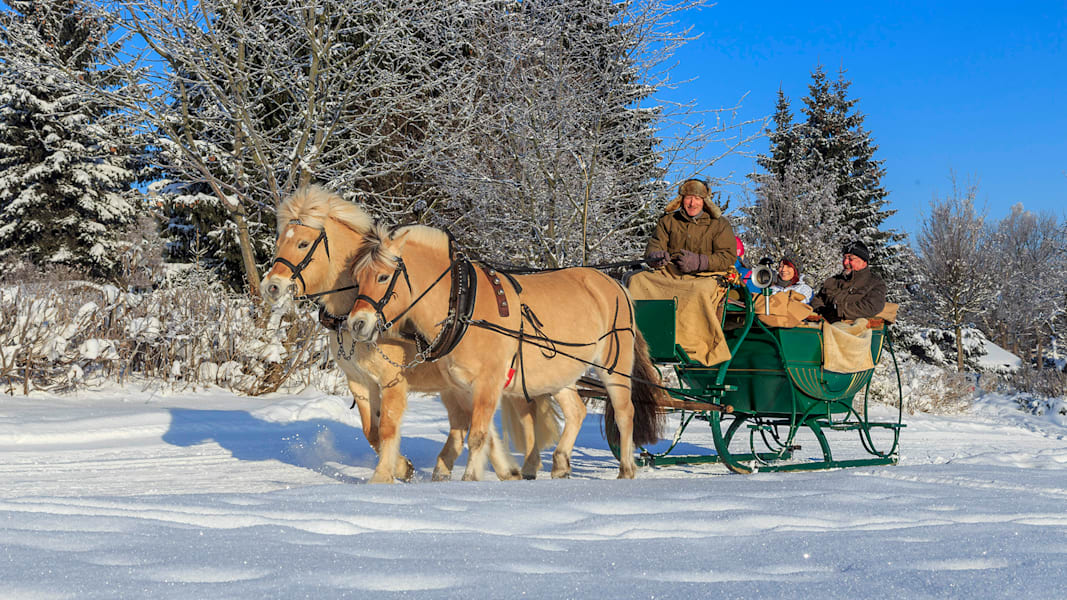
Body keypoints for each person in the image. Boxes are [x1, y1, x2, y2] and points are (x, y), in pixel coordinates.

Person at [644, 179, 735, 274]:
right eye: (688, 198)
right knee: (635, 279)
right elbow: (655, 244)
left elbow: (728, 257)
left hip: (706, 277)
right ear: (681, 199)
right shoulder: (667, 221)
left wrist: (700, 262)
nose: (692, 203)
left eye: (697, 198)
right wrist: (655, 255)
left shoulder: (720, 224)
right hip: (670, 274)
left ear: (705, 201)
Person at [809, 240, 887, 322]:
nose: (845, 262)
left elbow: (872, 306)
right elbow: (817, 300)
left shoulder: (875, 283)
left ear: (864, 262)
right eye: (844, 258)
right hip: (825, 325)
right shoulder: (832, 281)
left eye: (851, 259)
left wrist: (838, 311)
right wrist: (821, 309)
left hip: (854, 329)